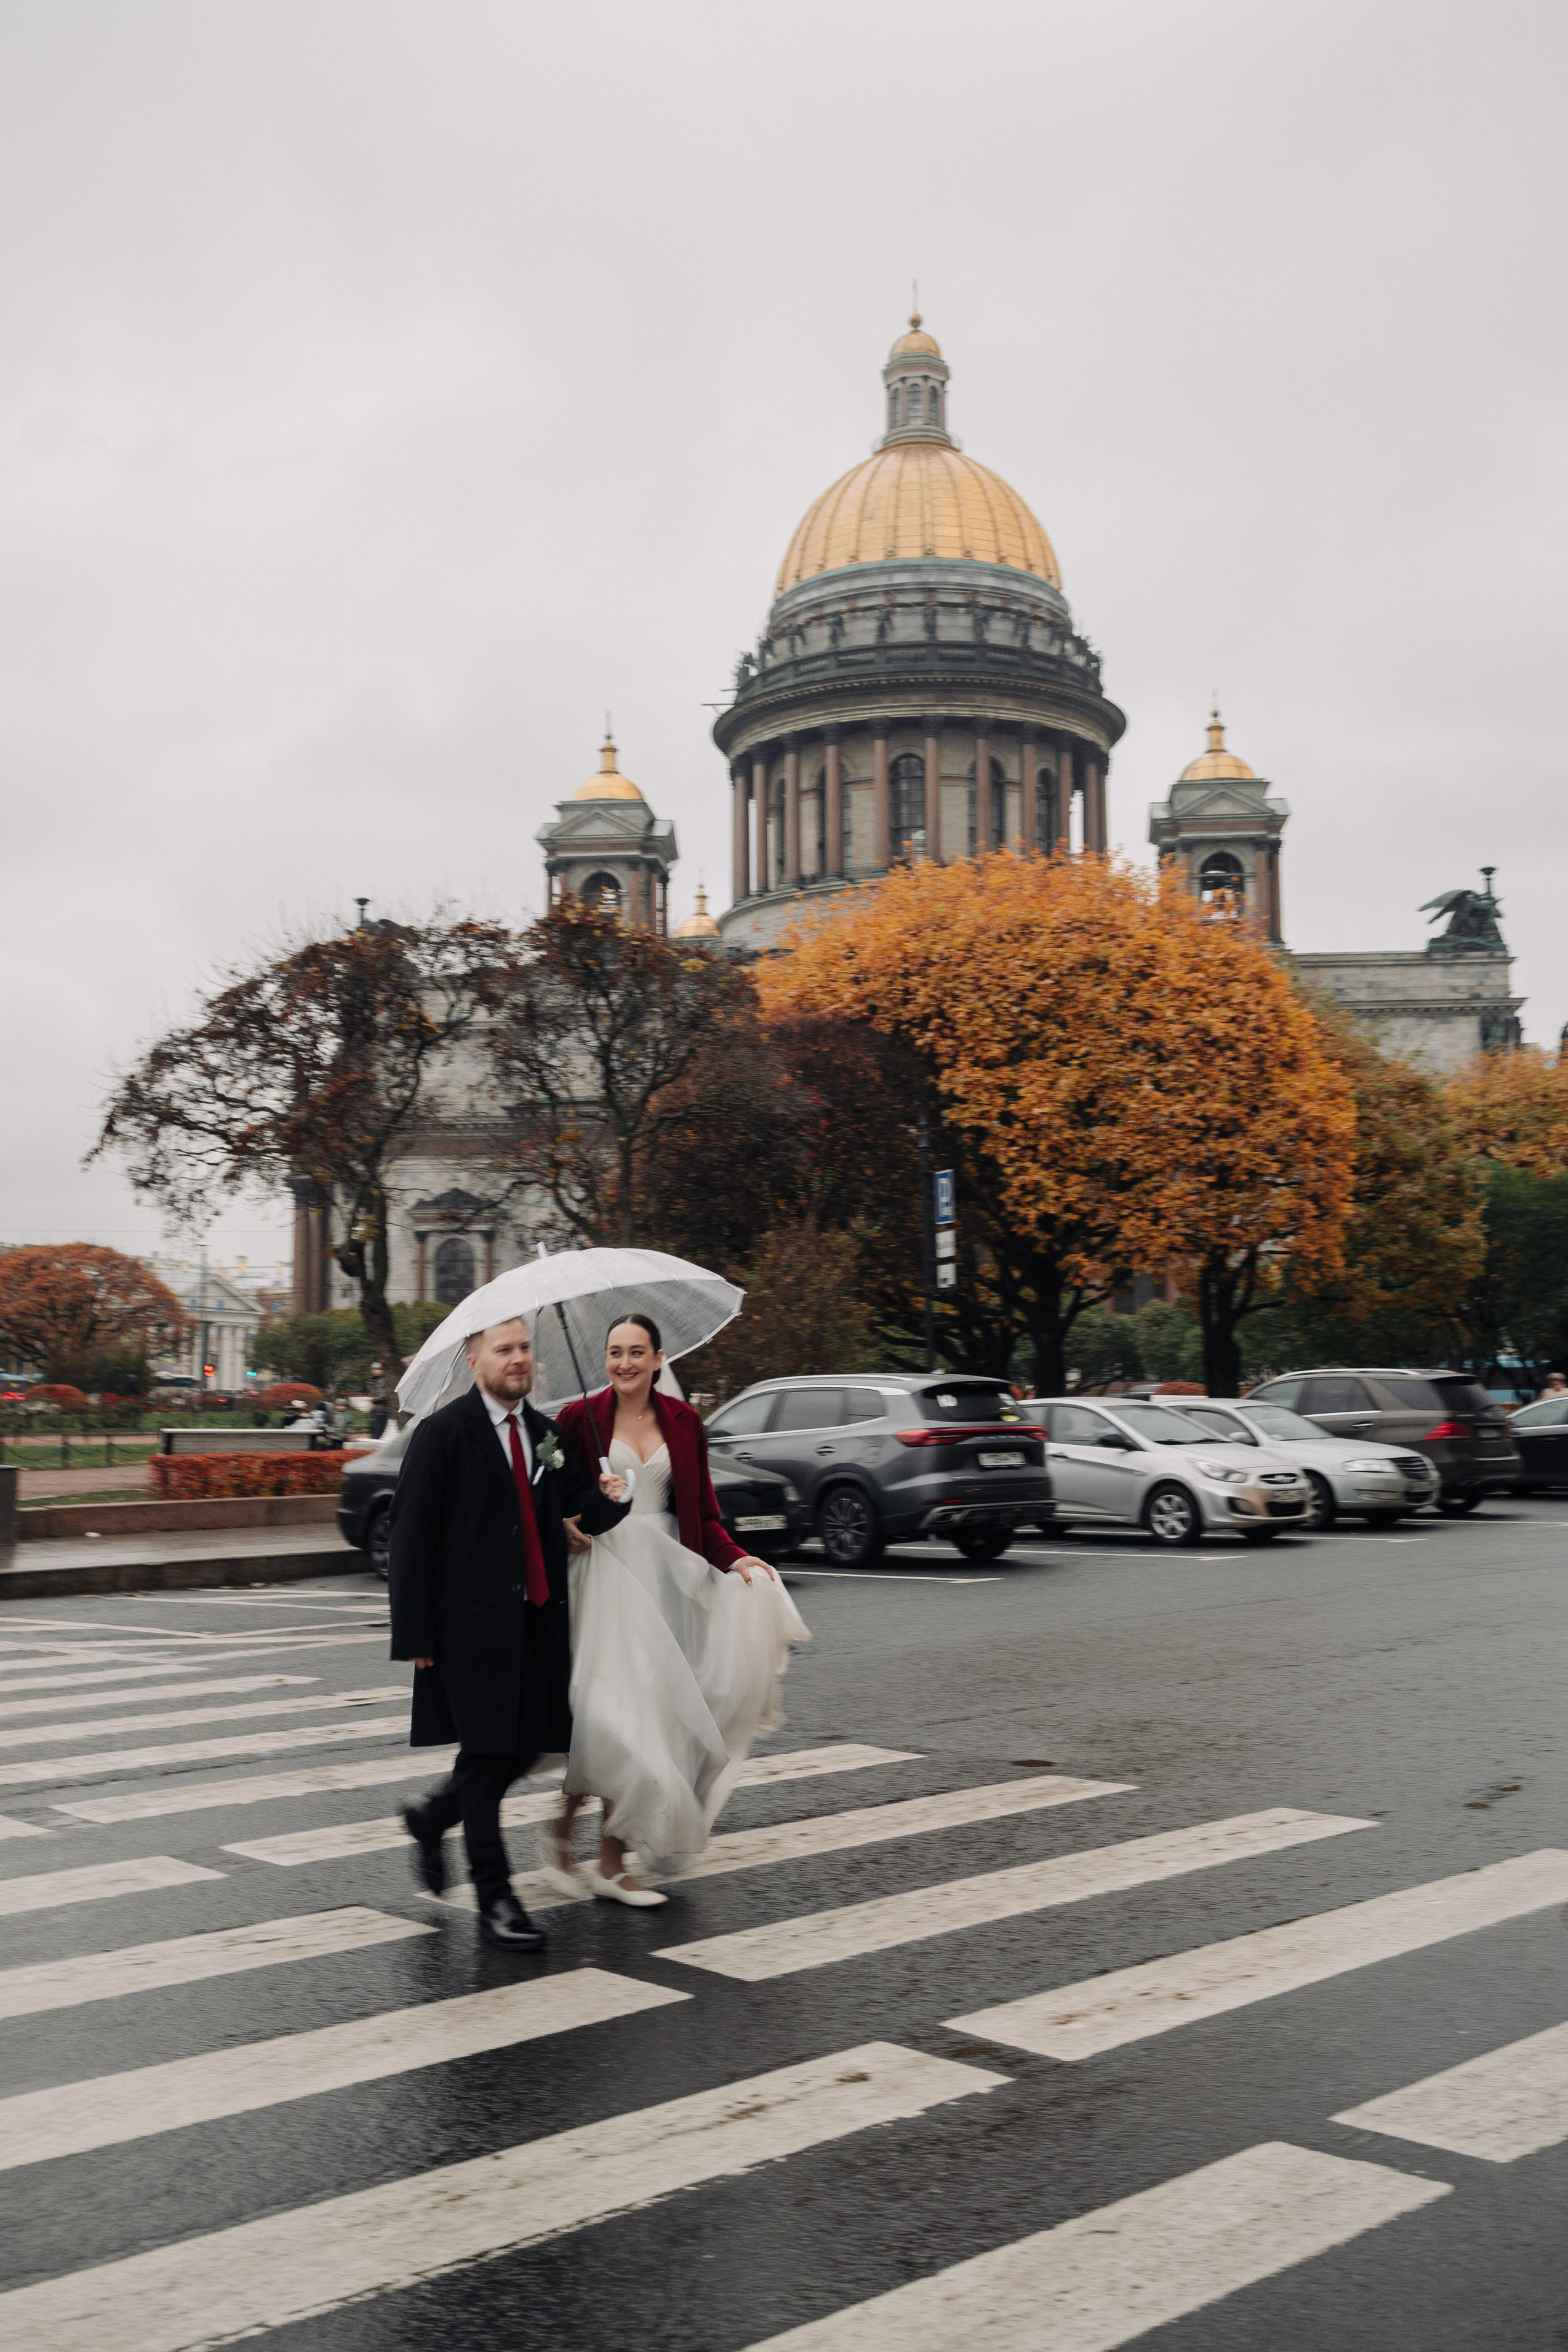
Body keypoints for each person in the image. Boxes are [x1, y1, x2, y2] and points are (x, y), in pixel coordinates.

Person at [546, 1313, 809, 1907]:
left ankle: (595, 1850)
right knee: (608, 1718)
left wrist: (738, 1560)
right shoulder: (577, 1420)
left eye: (637, 1352)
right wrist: (569, 1520)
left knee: (646, 1720)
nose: (625, 1364)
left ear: (659, 1358)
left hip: (668, 1581)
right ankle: (580, 1843)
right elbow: (554, 1500)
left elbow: (705, 1515)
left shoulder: (687, 1424)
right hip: (602, 1579)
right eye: (614, 1352)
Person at [388, 1314, 630, 1953]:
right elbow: (410, 1540)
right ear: (475, 1361)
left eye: (524, 1348)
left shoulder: (546, 1434)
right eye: (504, 1350)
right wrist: (416, 1635)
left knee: (526, 1747)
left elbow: (581, 1506)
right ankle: (497, 1899)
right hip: (468, 1629)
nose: (517, 1359)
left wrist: (614, 1497)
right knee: (484, 1755)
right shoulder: (442, 1436)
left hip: (540, 1622)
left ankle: (431, 1816)